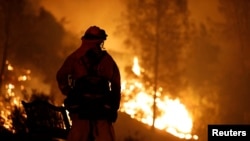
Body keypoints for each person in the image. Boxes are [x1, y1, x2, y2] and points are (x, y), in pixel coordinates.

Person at [56, 25, 121, 141]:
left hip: (88, 108)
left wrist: (69, 92)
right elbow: (116, 84)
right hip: (94, 109)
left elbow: (61, 76)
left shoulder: (75, 57)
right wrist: (113, 106)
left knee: (81, 135)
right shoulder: (107, 60)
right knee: (101, 136)